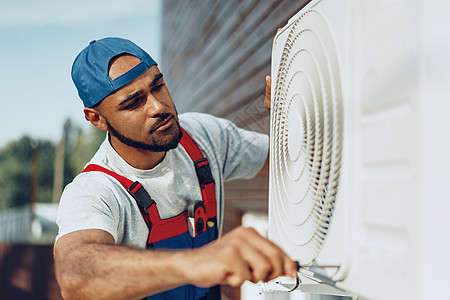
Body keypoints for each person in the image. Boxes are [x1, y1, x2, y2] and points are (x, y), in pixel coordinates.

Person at [53, 37, 295, 300]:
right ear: (97, 118)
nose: (158, 107)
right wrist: (196, 262)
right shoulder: (95, 191)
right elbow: (75, 277)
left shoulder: (203, 137)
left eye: (158, 86)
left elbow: (293, 160)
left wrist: (290, 111)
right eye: (133, 103)